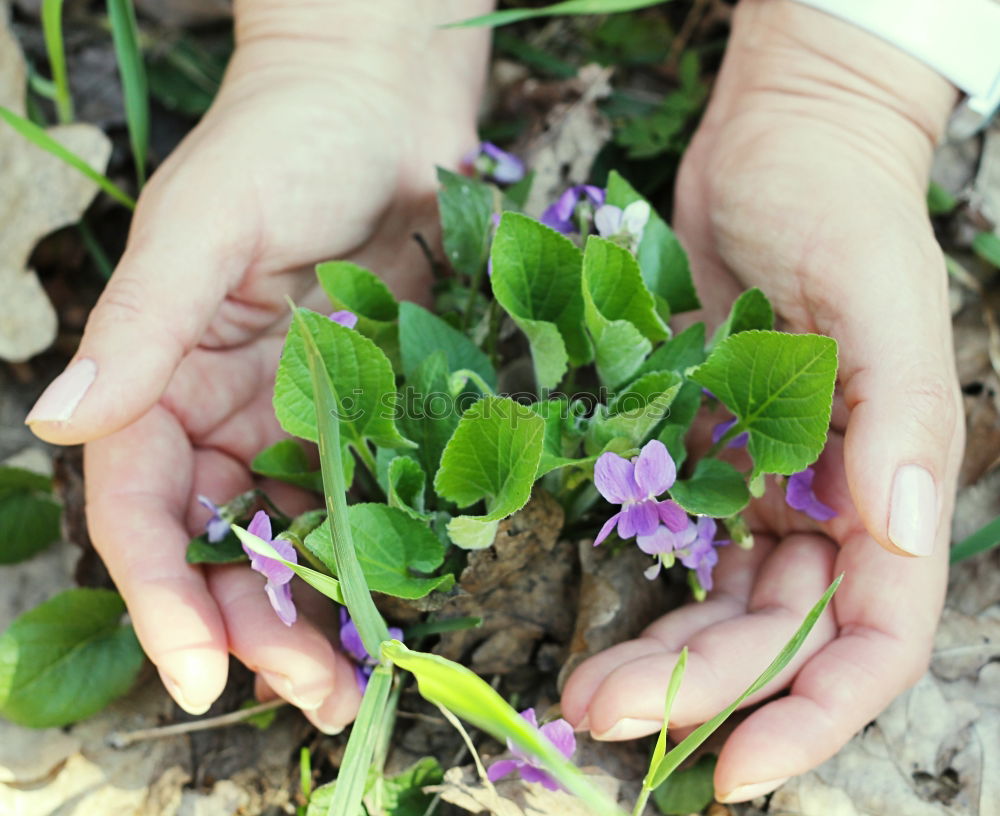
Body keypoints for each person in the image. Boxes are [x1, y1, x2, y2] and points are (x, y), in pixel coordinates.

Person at [24, 0, 965, 804]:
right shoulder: (636, 488)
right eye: (656, 511)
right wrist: (346, 46)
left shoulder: (647, 489)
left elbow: (632, 501)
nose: (652, 517)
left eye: (656, 512)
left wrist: (846, 81)